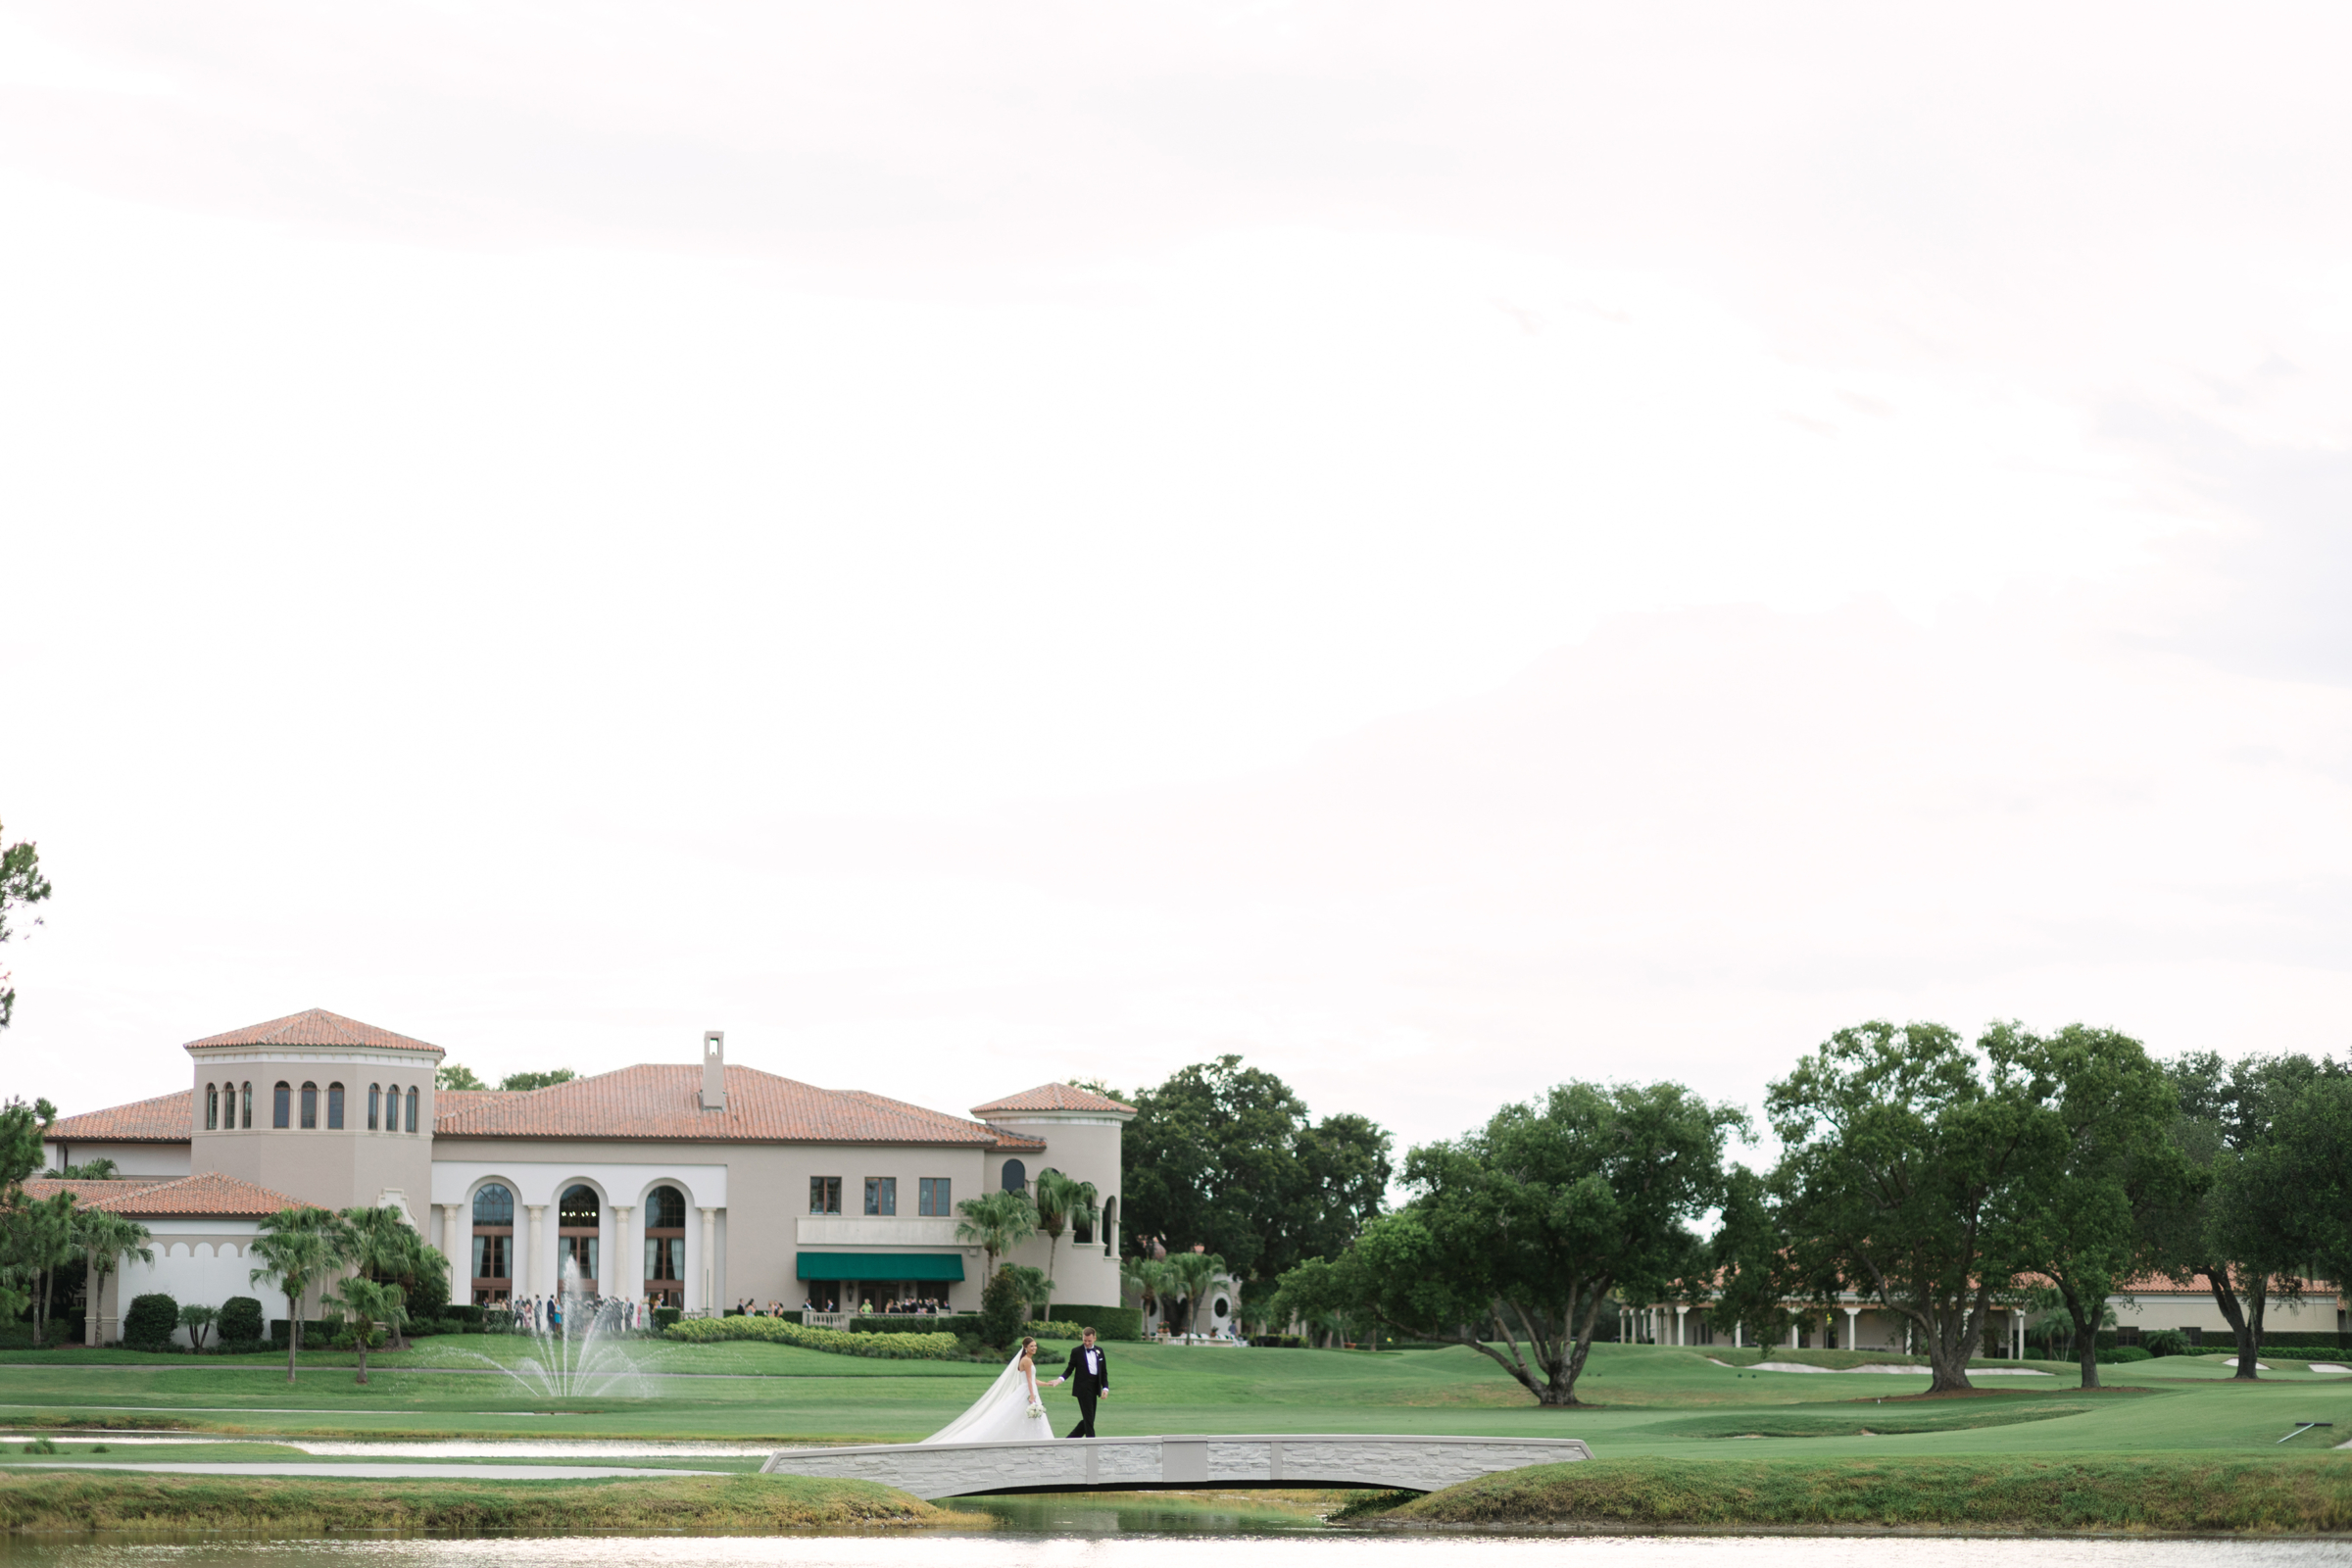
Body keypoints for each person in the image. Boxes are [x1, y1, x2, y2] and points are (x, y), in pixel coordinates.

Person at [919, 1336, 1054, 1444]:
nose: (1034, 1348)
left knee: (1025, 1416)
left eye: (1035, 1346)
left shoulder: (1027, 1360)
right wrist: (1032, 1396)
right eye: (1031, 1346)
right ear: (1025, 1348)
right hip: (1028, 1392)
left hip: (1028, 1390)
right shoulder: (1027, 1361)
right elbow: (1030, 1382)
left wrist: (1047, 1384)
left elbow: (1033, 1380)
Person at [1048, 1326, 1109, 1438]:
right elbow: (1069, 1369)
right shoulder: (1076, 1352)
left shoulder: (1100, 1351)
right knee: (1089, 1420)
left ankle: (1070, 1440)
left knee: (1088, 1419)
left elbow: (1103, 1371)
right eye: (1084, 1340)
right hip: (1083, 1389)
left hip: (1094, 1387)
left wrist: (1105, 1387)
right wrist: (1059, 1380)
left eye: (1089, 1341)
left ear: (1094, 1339)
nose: (1086, 1343)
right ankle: (1092, 1444)